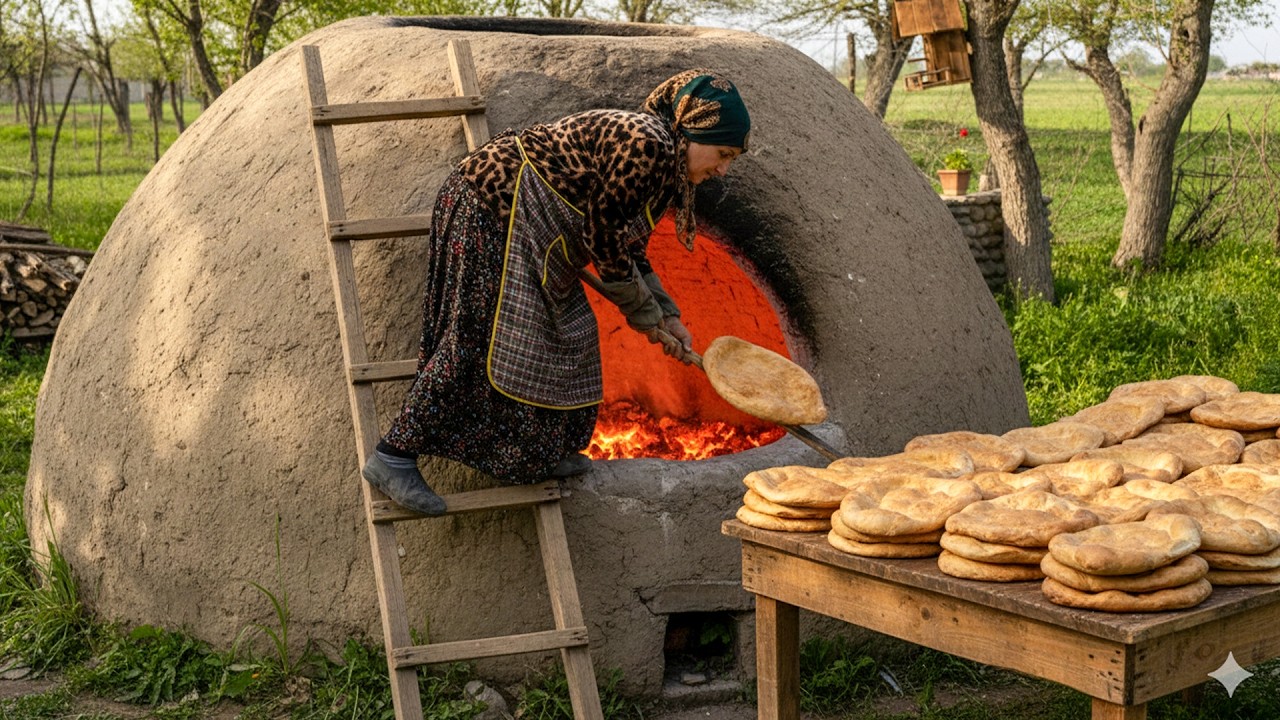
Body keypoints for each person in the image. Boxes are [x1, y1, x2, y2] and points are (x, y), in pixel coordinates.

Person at [361, 69, 751, 515]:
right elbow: (603, 241)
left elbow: (631, 250)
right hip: (492, 207)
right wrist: (643, 317)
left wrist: (669, 315)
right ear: (692, 132)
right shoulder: (648, 144)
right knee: (476, 339)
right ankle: (393, 455)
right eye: (722, 153)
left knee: (573, 336)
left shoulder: (667, 171)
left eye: (731, 159)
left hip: (528, 229)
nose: (722, 169)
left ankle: (538, 452)